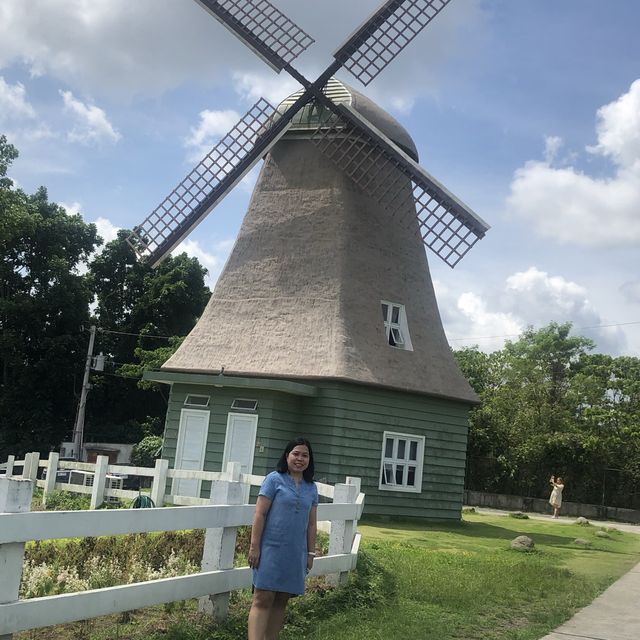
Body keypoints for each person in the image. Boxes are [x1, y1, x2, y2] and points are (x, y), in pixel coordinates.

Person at [247, 437, 318, 640]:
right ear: (287, 456)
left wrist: (310, 553)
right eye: (296, 454)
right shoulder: (273, 479)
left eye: (305, 455)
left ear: (309, 460)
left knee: (281, 599)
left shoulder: (311, 488)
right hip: (269, 549)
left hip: (295, 552)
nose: (300, 459)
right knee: (263, 597)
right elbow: (259, 514)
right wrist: (254, 547)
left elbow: (312, 524)